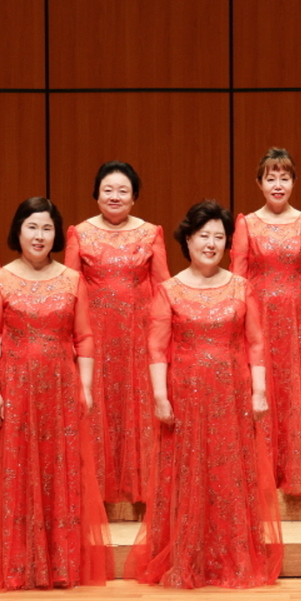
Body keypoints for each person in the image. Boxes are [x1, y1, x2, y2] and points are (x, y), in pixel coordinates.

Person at [127, 201, 282, 588]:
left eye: (218, 237)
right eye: (203, 236)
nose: (211, 244)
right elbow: (156, 349)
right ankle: (187, 555)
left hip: (232, 395)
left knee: (230, 473)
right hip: (185, 397)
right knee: (187, 474)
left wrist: (259, 391)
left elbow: (256, 344)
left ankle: (232, 556)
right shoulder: (169, 290)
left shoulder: (242, 287)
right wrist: (160, 396)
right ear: (188, 240)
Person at [0, 198, 111, 590]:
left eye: (46, 228)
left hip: (61, 389)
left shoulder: (72, 280)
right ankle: (17, 561)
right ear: (18, 232)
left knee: (59, 469)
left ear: (55, 234)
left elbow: (85, 338)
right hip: (15, 388)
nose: (39, 236)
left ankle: (60, 562)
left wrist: (85, 387)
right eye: (32, 227)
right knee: (16, 470)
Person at [63, 162, 169, 504]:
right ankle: (95, 484)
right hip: (95, 334)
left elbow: (163, 288)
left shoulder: (150, 233)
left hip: (138, 335)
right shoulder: (79, 233)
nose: (115, 196)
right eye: (108, 190)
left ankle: (141, 483)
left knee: (138, 403)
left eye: (123, 191)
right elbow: (68, 288)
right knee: (97, 402)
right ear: (96, 194)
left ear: (134, 197)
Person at [231, 148, 301, 496]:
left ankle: (295, 470)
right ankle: (260, 469)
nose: (278, 185)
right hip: (258, 316)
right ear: (259, 183)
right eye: (271, 178)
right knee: (262, 384)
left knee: (293, 388)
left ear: (294, 182)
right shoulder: (247, 223)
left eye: (284, 178)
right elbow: (237, 276)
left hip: (297, 316)